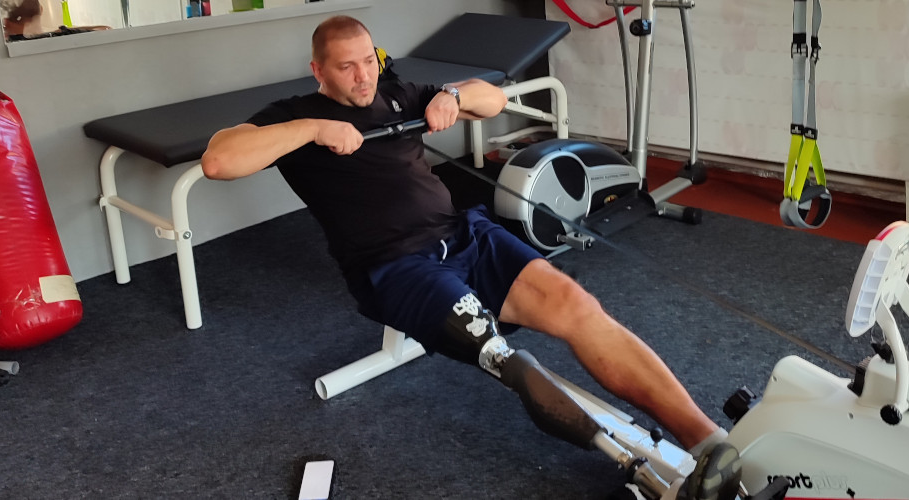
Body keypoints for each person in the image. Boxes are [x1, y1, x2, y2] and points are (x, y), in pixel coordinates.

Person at [202, 15, 740, 499]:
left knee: (578, 308)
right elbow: (219, 161)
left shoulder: (398, 94)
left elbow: (493, 100)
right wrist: (314, 130)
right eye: (347, 68)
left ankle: (709, 441)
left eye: (369, 61)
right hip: (393, 265)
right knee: (497, 352)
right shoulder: (294, 116)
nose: (364, 77)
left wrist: (453, 96)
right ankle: (640, 469)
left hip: (464, 235)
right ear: (318, 70)